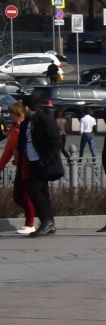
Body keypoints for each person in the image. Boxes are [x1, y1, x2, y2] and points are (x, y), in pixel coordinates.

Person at [17, 97, 62, 238]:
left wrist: (44, 160)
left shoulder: (44, 120)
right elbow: (22, 142)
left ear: (27, 108)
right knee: (42, 192)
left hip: (42, 163)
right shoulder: (27, 123)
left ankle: (47, 221)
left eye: (23, 107)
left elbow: (55, 141)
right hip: (31, 162)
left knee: (34, 190)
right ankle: (49, 223)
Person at [2, 102, 39, 235]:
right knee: (17, 197)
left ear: (19, 115)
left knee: (24, 194)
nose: (9, 116)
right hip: (19, 165)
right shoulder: (12, 130)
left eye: (11, 113)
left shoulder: (26, 128)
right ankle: (36, 213)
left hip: (29, 166)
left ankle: (30, 224)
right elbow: (7, 151)